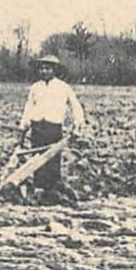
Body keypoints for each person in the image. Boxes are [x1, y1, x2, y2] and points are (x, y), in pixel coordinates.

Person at [18, 53, 87, 201]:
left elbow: (75, 106)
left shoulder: (63, 87)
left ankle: (53, 189)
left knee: (53, 160)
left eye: (48, 69)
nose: (44, 72)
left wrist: (77, 125)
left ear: (54, 70)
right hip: (37, 128)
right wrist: (24, 127)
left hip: (53, 128)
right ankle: (39, 189)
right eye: (42, 69)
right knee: (36, 160)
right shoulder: (35, 88)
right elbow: (29, 108)